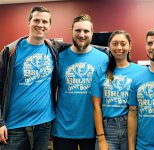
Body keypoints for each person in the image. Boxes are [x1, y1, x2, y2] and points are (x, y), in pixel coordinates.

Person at [0, 6, 66, 150]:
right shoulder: (10, 51)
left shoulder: (53, 48)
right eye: (36, 20)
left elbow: (81, 45)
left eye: (44, 21)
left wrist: (108, 49)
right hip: (14, 126)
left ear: (49, 26)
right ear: (29, 22)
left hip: (43, 124)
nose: (40, 25)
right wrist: (0, 122)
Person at [51, 14, 109, 150]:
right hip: (63, 130)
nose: (81, 34)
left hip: (93, 130)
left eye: (86, 31)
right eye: (78, 30)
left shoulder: (103, 59)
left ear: (92, 32)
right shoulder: (59, 58)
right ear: (72, 31)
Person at [91, 30, 144, 150]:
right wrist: (101, 139)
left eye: (123, 43)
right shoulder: (99, 71)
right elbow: (96, 107)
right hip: (107, 129)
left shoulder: (141, 72)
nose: (119, 47)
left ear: (130, 46)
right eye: (115, 43)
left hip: (132, 127)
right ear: (109, 46)